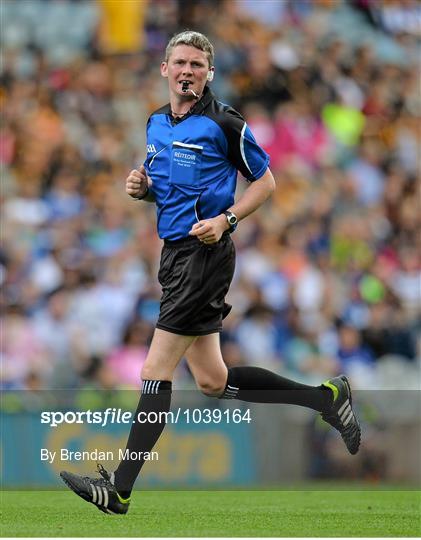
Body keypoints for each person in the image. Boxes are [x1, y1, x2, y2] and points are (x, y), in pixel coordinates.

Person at [60, 31, 361, 515]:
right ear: (164, 69)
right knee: (212, 382)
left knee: (155, 371)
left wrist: (228, 220)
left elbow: (266, 183)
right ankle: (326, 399)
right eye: (180, 62)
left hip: (205, 257)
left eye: (197, 65)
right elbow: (171, 187)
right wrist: (144, 188)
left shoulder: (225, 123)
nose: (187, 71)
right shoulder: (156, 123)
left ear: (209, 73)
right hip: (173, 256)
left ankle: (119, 489)